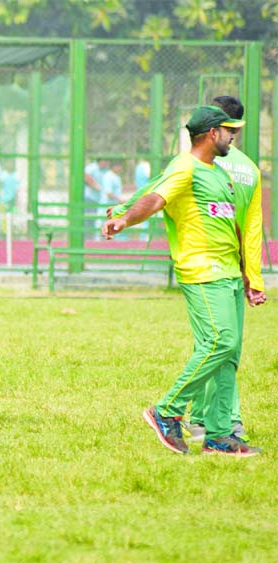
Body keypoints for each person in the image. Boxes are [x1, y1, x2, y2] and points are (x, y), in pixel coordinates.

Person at [103, 105, 261, 456]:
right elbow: (155, 198)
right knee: (219, 341)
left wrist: (249, 273)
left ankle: (220, 436)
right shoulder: (184, 167)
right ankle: (167, 411)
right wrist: (125, 219)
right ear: (210, 134)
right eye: (228, 129)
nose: (233, 135)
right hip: (202, 272)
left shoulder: (220, 174)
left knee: (228, 354)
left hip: (230, 273)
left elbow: (234, 226)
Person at [187, 96, 266, 442]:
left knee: (214, 344)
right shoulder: (250, 169)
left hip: (203, 269)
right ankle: (208, 418)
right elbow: (252, 230)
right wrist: (255, 279)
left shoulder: (198, 163)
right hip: (234, 271)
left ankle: (223, 420)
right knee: (226, 346)